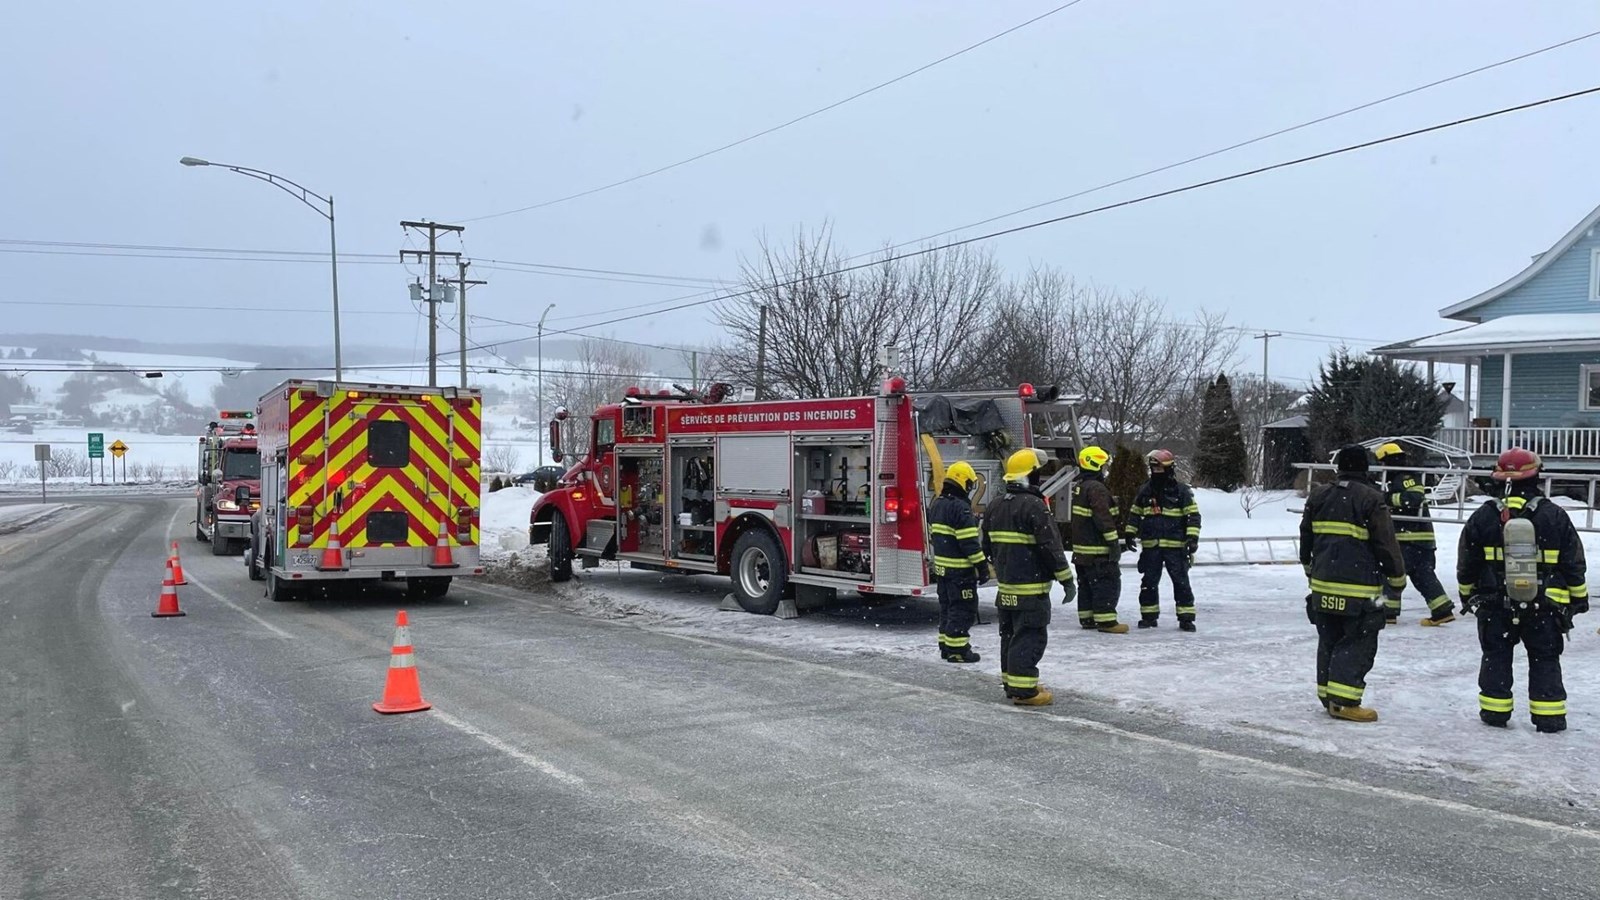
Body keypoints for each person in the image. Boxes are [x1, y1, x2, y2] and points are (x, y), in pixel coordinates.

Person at [1457, 448, 1588, 733]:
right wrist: (1579, 599)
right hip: (1544, 606)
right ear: (1536, 475)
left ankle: (1494, 712)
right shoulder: (1554, 516)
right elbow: (1573, 563)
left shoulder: (1483, 516)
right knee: (1544, 657)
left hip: (1494, 604)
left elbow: (1467, 562)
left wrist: (1467, 594)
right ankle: (1549, 717)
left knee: (1496, 655)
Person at [1299, 444, 1406, 722]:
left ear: (1339, 468)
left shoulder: (1319, 495)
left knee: (1329, 640)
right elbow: (1386, 542)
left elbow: (1306, 537)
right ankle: (1344, 700)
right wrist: (1397, 578)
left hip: (1322, 586)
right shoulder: (1370, 499)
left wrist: (1311, 569)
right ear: (1366, 468)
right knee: (1358, 641)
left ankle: (1327, 694)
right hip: (1359, 589)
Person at [981, 448, 1075, 706]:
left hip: (1007, 589)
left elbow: (986, 546)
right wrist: (1066, 579)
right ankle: (1025, 691)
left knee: (1010, 636)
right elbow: (1051, 547)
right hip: (1031, 590)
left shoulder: (995, 505)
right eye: (1037, 473)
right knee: (1030, 635)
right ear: (1029, 475)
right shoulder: (1034, 506)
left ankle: (1014, 683)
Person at [1373, 442, 1455, 626]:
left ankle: (1388, 612)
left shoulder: (1405, 477)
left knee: (1391, 572)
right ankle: (1442, 609)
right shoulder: (1402, 477)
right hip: (1419, 539)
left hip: (1409, 538)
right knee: (1422, 575)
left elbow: (1414, 499)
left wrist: (1386, 499)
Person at [1124, 449, 1202, 631]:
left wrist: (1192, 538)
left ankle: (1186, 618)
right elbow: (1134, 514)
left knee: (1181, 582)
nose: (1157, 473)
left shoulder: (1181, 491)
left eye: (1160, 469)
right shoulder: (1145, 490)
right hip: (1152, 547)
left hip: (1176, 547)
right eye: (1154, 469)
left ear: (1169, 469)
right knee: (1149, 583)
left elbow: (1193, 515)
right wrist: (1129, 533)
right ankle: (1149, 617)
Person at [928, 461, 988, 663]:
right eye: (970, 484)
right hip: (960, 572)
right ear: (963, 482)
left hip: (943, 570)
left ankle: (946, 646)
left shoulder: (938, 503)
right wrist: (982, 567)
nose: (971, 489)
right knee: (963, 610)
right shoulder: (960, 508)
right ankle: (958, 650)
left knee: (947, 609)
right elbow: (969, 543)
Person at [1069, 445, 1127, 633]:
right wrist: (1113, 543)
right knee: (1107, 583)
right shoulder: (1096, 488)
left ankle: (1087, 618)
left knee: (1086, 585)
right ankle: (1106, 621)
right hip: (1098, 552)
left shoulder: (1081, 487)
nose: (1105, 469)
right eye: (1103, 465)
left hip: (1083, 552)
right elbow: (1103, 518)